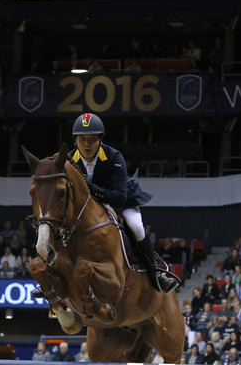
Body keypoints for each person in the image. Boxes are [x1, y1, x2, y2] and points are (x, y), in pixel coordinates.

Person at [69, 113, 178, 293]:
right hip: (89, 207)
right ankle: (51, 274)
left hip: (121, 201)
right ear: (75, 141)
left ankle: (156, 273)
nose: (87, 144)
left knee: (136, 226)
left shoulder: (114, 157)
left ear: (100, 140)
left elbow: (119, 197)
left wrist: (91, 187)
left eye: (92, 139)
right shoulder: (70, 160)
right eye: (82, 139)